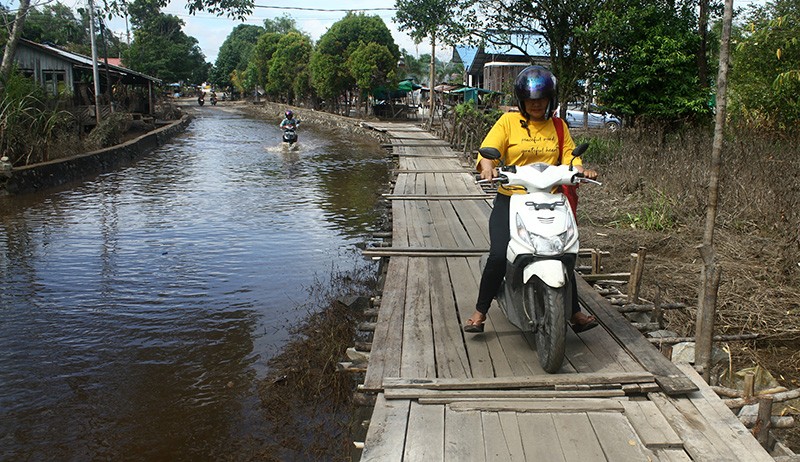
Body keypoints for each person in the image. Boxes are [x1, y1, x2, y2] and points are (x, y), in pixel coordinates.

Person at [463, 65, 599, 334]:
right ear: (521, 101)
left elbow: (571, 158)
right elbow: (488, 152)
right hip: (512, 200)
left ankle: (573, 312)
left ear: (551, 99)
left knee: (561, 251)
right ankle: (480, 312)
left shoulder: (558, 127)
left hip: (550, 200)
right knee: (498, 255)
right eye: (530, 100)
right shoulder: (508, 123)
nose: (536, 104)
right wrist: (488, 165)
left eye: (541, 99)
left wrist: (581, 169)